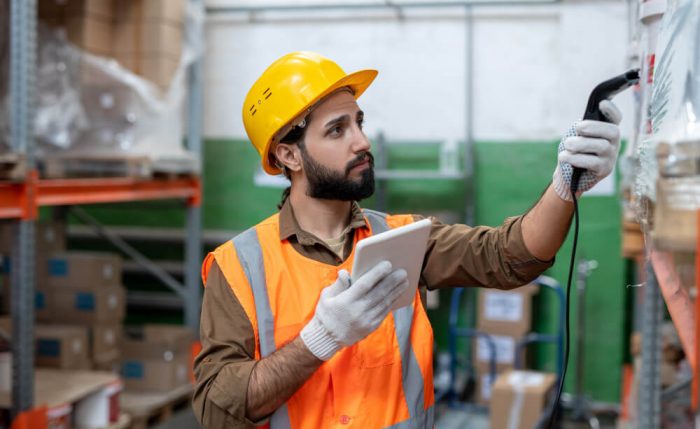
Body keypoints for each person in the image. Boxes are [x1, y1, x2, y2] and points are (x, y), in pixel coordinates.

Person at [193, 51, 622, 428]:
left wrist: (566, 185)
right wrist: (319, 339)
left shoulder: (403, 238)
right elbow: (216, 409)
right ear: (288, 155)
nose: (362, 142)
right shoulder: (238, 266)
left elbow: (511, 256)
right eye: (337, 130)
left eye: (359, 122)